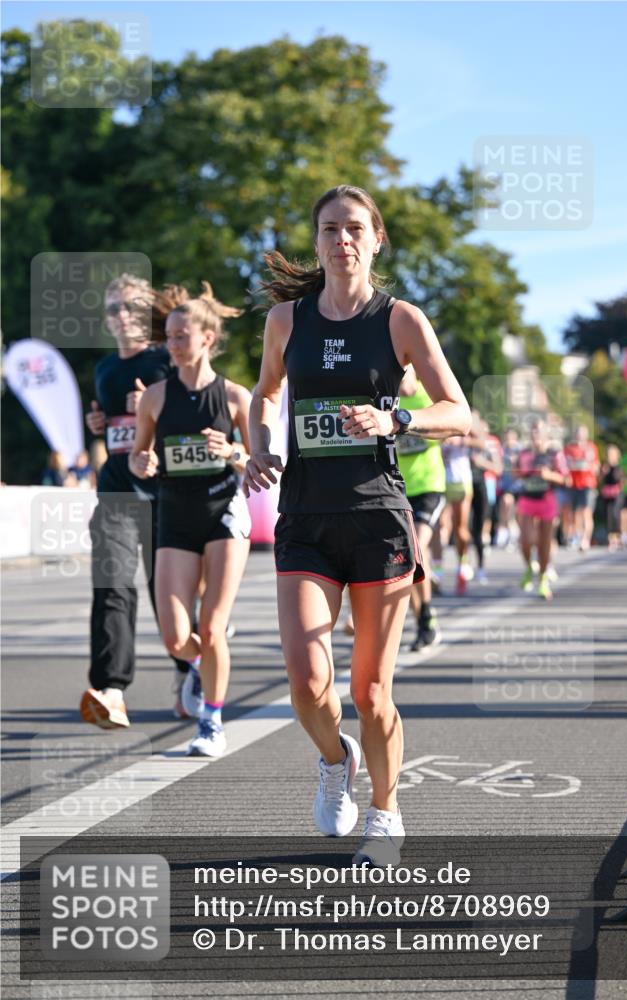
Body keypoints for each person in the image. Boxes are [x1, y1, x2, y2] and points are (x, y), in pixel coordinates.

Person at [244, 185, 471, 865]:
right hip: (306, 516)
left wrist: (395, 419)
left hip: (376, 516)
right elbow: (265, 392)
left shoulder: (399, 319)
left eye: (352, 229)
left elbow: (455, 410)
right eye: (327, 229)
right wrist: (261, 446)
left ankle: (385, 808)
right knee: (306, 682)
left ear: (375, 239)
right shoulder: (286, 320)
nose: (339, 240)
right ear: (316, 242)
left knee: (371, 693)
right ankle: (332, 759)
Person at [130, 283, 251, 757]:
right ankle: (202, 663)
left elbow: (261, 458)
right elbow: (140, 455)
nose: (173, 344)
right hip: (175, 516)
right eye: (170, 337)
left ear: (208, 337)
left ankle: (211, 722)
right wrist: (143, 464)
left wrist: (234, 452)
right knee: (178, 636)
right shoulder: (155, 398)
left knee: (214, 626)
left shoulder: (236, 397)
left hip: (223, 511)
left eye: (182, 335)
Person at [80, 274, 189, 729]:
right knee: (112, 588)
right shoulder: (105, 370)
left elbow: (195, 419)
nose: (120, 316)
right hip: (117, 492)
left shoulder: (167, 361)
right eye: (112, 309)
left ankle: (191, 671)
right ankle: (111, 690)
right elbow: (115, 432)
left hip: (169, 495)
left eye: (128, 307)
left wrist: (156, 407)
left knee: (167, 593)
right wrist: (99, 423)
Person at [395, 365, 446, 650]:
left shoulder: (427, 396)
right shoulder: (388, 399)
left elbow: (449, 428)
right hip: (400, 488)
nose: (399, 381)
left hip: (429, 486)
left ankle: (423, 618)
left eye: (403, 373)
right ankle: (424, 619)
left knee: (414, 548)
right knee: (408, 555)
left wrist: (412, 424)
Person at [515, 419, 568, 601]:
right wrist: (522, 472)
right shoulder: (523, 454)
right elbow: (514, 472)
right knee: (526, 539)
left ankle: (543, 580)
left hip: (547, 500)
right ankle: (530, 566)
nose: (536, 435)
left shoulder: (554, 454)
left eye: (539, 432)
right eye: (533, 431)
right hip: (527, 499)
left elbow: (566, 479)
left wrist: (549, 475)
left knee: (544, 543)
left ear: (546, 435)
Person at [435, 436, 473, 595]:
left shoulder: (465, 413)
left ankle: (462, 565)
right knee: (439, 526)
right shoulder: (433, 415)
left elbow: (482, 442)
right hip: (439, 480)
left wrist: (460, 441)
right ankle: (437, 573)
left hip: (460, 481)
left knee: (460, 529)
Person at [469, 416, 502, 585]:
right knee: (465, 528)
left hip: (481, 486)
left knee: (479, 529)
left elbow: (498, 468)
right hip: (463, 487)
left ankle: (481, 567)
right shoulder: (460, 440)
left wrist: (482, 462)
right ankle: (464, 565)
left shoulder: (488, 444)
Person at [564, 425, 600, 551]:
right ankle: (577, 537)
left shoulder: (591, 448)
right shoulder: (569, 449)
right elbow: (565, 466)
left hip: (588, 484)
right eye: (578, 433)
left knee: (586, 512)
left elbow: (596, 466)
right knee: (575, 513)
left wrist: (586, 466)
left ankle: (586, 539)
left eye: (582, 433)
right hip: (574, 484)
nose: (580, 436)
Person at [599, 443, 623, 549]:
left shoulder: (619, 466)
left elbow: (622, 480)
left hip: (617, 493)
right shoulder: (605, 466)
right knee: (607, 515)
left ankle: (617, 537)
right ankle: (610, 538)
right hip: (607, 493)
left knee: (615, 514)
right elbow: (600, 480)